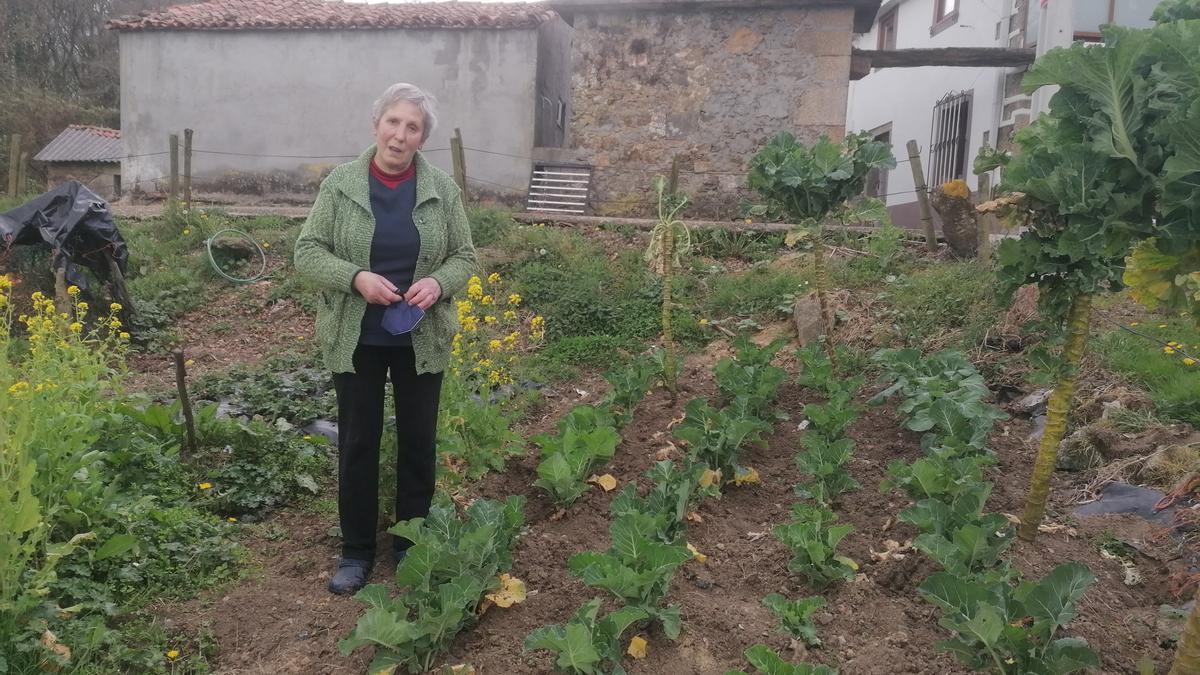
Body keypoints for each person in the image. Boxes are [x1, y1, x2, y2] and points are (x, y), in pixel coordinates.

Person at [294, 83, 476, 595]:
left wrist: (439, 283)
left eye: (412, 127)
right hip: (357, 339)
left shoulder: (441, 188)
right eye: (393, 122)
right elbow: (306, 252)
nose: (400, 135)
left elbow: (465, 255)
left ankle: (410, 546)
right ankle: (356, 551)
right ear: (377, 124)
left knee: (418, 444)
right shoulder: (341, 186)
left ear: (422, 138)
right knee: (358, 443)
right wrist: (356, 277)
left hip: (422, 337)